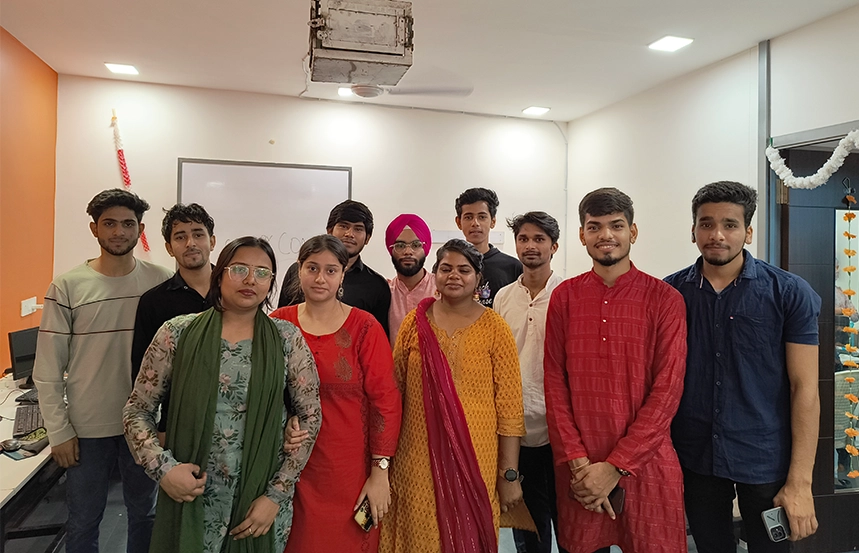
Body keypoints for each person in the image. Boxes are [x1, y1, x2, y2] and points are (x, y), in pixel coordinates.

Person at [123, 236, 322, 553]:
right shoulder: (176, 333)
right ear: (220, 275)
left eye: (262, 272)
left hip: (259, 502)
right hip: (190, 494)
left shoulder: (287, 338)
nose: (249, 279)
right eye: (239, 268)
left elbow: (310, 415)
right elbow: (137, 411)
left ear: (271, 283)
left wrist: (276, 495)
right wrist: (164, 470)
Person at [665, 181, 821, 552]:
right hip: (694, 455)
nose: (717, 234)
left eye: (730, 225)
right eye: (706, 224)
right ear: (693, 231)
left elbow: (806, 389)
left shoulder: (788, 293)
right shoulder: (670, 296)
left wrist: (800, 481)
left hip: (765, 457)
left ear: (748, 231)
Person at [544, 188, 688, 553]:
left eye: (616, 226)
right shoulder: (565, 297)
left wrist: (615, 467)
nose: (605, 235)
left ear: (633, 232)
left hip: (647, 466)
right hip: (581, 469)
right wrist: (580, 465)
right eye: (594, 227)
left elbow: (668, 390)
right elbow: (554, 383)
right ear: (582, 235)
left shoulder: (665, 299)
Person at [33, 188, 173, 553]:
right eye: (109, 224)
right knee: (83, 521)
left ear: (139, 229)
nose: (119, 232)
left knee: (144, 515)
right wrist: (59, 431)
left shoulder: (159, 282)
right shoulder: (67, 286)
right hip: (86, 429)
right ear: (95, 229)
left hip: (143, 427)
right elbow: (47, 369)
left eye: (128, 224)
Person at [380, 239, 527, 553]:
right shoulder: (414, 324)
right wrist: (383, 463)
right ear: (435, 274)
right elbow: (395, 392)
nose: (454, 276)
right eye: (446, 268)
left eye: (464, 270)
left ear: (478, 278)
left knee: (469, 534)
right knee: (418, 534)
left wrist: (509, 474)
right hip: (416, 457)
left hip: (477, 459)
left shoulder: (495, 328)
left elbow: (511, 409)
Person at [272, 234, 402, 553]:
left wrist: (380, 471)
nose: (320, 278)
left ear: (342, 275)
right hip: (290, 466)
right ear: (299, 270)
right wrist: (284, 418)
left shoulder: (364, 327)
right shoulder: (277, 324)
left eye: (331, 270)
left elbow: (385, 401)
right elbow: (265, 393)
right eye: (312, 268)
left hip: (348, 467)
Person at [494, 212, 567, 553]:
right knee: (530, 530)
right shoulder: (503, 298)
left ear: (554, 245)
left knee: (569, 526)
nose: (530, 246)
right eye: (524, 238)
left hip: (561, 432)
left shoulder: (568, 294)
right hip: (516, 432)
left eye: (539, 239)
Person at [131, 203, 216, 443]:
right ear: (169, 248)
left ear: (212, 241)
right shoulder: (153, 302)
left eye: (198, 234)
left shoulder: (236, 294)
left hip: (235, 418)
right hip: (177, 422)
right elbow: (143, 372)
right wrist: (159, 424)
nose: (190, 243)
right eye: (181, 237)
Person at [277, 200, 391, 334]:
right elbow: (280, 324)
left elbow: (377, 336)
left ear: (367, 238)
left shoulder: (377, 285)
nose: (349, 234)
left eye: (358, 229)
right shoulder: (298, 270)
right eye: (343, 226)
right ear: (329, 230)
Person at [455, 187, 522, 307]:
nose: (475, 223)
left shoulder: (513, 267)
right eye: (468, 217)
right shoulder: (450, 266)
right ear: (459, 222)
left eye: (482, 217)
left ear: (493, 221)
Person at [385, 213, 436, 345]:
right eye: (400, 246)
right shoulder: (384, 292)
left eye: (416, 245)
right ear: (391, 250)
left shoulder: (441, 289)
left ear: (425, 249)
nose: (408, 251)